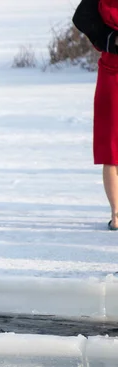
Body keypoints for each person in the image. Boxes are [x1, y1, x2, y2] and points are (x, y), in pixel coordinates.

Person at [73, 0, 118, 230]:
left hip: (111, 73)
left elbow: (81, 18)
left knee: (111, 149)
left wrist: (106, 40)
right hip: (112, 74)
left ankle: (117, 214)